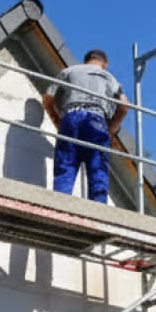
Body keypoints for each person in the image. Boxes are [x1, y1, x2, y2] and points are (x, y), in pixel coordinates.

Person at [42, 50, 128, 204]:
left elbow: (48, 99)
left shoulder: (68, 71)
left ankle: (60, 206)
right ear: (105, 63)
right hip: (96, 119)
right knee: (98, 171)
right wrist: (111, 128)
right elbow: (124, 105)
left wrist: (57, 121)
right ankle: (98, 213)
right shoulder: (110, 78)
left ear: (86, 60)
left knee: (65, 166)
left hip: (71, 116)